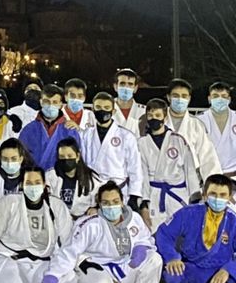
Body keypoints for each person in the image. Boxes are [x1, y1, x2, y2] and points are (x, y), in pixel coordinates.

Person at [41, 181, 161, 283]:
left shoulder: (134, 218)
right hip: (94, 272)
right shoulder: (90, 224)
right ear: (99, 204)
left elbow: (145, 239)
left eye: (115, 201)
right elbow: (69, 251)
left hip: (123, 268)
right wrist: (53, 275)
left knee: (154, 259)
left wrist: (141, 247)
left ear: (122, 202)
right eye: (106, 203)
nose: (111, 206)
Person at [0, 165, 72, 283]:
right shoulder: (8, 203)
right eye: (28, 183)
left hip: (41, 262)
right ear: (21, 185)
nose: (33, 187)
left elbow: (68, 241)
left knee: (70, 278)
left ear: (44, 185)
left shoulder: (57, 206)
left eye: (37, 182)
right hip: (9, 259)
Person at [137, 98, 201, 230]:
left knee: (181, 232)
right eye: (150, 115)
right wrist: (143, 203)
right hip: (154, 195)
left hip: (177, 194)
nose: (154, 118)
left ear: (165, 118)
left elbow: (190, 171)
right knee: (155, 233)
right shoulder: (142, 143)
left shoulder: (178, 140)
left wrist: (194, 198)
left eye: (158, 115)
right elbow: (141, 175)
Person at [84, 90, 144, 205]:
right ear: (93, 109)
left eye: (106, 107)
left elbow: (135, 167)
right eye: (98, 107)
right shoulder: (85, 134)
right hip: (93, 191)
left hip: (119, 191)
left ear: (113, 111)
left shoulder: (126, 136)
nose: (102, 110)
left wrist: (134, 195)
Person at [197, 82, 236, 176]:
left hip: (235, 174)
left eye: (223, 96)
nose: (220, 99)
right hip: (208, 175)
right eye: (215, 96)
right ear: (209, 98)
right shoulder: (199, 121)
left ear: (229, 99)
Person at [165, 80, 220, 179]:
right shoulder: (158, 121)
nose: (180, 99)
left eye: (184, 96)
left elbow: (208, 157)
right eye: (175, 95)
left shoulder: (196, 125)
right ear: (168, 97)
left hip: (190, 181)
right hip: (161, 180)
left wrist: (213, 184)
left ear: (189, 98)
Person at [18, 85, 75, 170]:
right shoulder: (28, 130)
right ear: (41, 102)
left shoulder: (70, 130)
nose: (50, 105)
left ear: (60, 105)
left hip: (61, 179)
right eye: (46, 101)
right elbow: (20, 157)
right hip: (34, 178)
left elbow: (75, 158)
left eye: (55, 102)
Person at [45, 137, 99, 218]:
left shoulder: (92, 179)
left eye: (70, 156)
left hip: (82, 221)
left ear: (78, 156)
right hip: (57, 220)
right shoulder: (50, 176)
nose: (66, 159)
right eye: (62, 157)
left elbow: (98, 203)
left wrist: (95, 209)